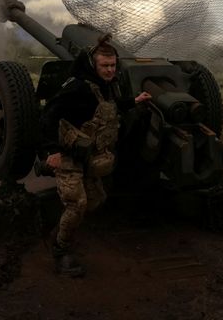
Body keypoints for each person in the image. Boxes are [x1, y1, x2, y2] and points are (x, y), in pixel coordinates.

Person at [36, 33, 151, 277]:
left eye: (112, 65)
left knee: (97, 199)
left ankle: (57, 230)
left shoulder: (106, 86)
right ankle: (61, 252)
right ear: (93, 65)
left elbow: (110, 108)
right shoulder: (77, 87)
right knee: (77, 204)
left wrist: (135, 100)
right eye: (104, 66)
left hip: (88, 155)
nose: (110, 70)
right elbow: (48, 116)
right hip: (68, 154)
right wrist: (52, 151)